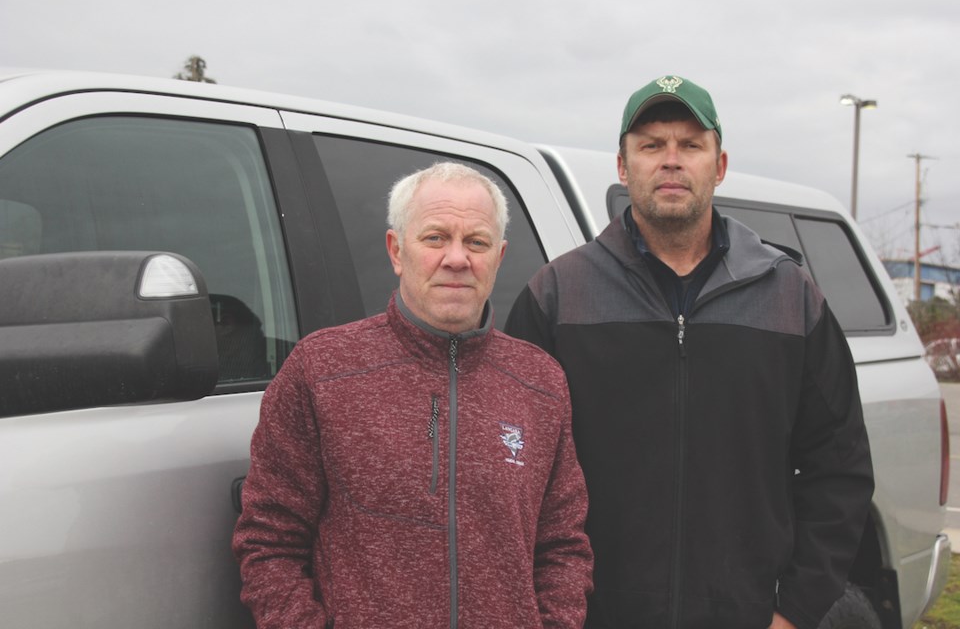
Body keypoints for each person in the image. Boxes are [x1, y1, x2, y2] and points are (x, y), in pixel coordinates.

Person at [505, 76, 874, 629]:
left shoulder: (790, 296)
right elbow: (511, 474)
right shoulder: (557, 296)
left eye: (690, 145)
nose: (671, 161)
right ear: (623, 166)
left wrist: (794, 610)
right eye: (651, 145)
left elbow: (839, 467)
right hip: (594, 615)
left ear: (719, 166)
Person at [233, 162, 593, 628]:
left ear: (499, 257)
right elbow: (268, 541)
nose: (457, 258)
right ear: (396, 249)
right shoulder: (322, 369)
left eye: (476, 242)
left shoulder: (540, 382)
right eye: (436, 237)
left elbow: (562, 546)